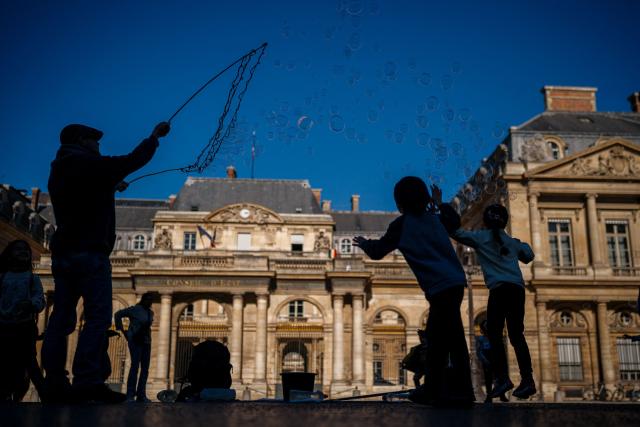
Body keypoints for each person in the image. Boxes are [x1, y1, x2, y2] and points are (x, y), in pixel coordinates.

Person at [42, 122, 170, 403]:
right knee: (97, 317)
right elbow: (132, 161)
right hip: (89, 252)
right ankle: (87, 382)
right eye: (95, 141)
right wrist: (153, 138)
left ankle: (53, 381)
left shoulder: (60, 167)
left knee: (61, 319)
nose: (99, 146)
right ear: (82, 141)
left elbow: (85, 193)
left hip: (63, 253)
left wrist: (108, 185)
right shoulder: (87, 162)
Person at [353, 176, 474, 406]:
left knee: (440, 340)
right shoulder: (437, 218)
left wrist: (364, 243)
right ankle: (456, 390)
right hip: (455, 282)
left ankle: (439, 390)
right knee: (449, 338)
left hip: (439, 287)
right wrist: (439, 203)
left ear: (399, 205)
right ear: (426, 198)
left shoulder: (401, 226)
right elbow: (455, 222)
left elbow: (378, 252)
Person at [433, 186, 536, 400]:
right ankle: (528, 380)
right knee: (517, 335)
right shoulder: (512, 242)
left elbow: (455, 231)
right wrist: (518, 245)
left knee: (495, 334)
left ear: (486, 221)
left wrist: (441, 203)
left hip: (499, 291)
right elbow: (528, 255)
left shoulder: (481, 237)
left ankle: (503, 379)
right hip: (517, 290)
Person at [0, 240, 46, 401]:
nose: (23, 252)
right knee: (6, 361)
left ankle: (43, 392)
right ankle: (6, 393)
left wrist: (32, 304)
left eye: (26, 249)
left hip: (24, 326)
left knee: (29, 361)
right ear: (9, 254)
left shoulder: (32, 278)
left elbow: (40, 299)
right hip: (4, 326)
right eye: (18, 249)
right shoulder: (3, 276)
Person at [114, 292, 155, 403]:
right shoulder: (135, 309)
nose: (149, 301)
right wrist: (122, 330)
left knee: (145, 369)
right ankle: (130, 394)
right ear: (143, 299)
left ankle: (141, 394)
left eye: (151, 299)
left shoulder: (151, 313)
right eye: (148, 299)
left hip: (147, 342)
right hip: (135, 341)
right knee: (134, 367)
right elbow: (118, 314)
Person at [476, 320, 508, 403]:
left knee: (499, 377)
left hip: (495, 358)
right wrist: (484, 360)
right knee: (488, 379)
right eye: (485, 327)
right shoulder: (481, 339)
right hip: (486, 358)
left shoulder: (494, 337)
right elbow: (479, 351)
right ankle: (489, 396)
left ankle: (502, 394)